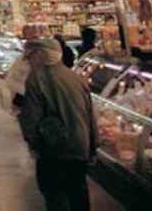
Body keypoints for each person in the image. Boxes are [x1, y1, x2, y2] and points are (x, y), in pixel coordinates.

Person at [18, 39, 97, 211]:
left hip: (54, 151)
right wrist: (92, 148)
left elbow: (31, 119)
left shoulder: (36, 79)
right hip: (79, 148)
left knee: (55, 196)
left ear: (41, 55)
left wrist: (34, 145)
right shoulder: (76, 77)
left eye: (30, 57)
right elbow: (91, 116)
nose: (29, 61)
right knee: (78, 195)